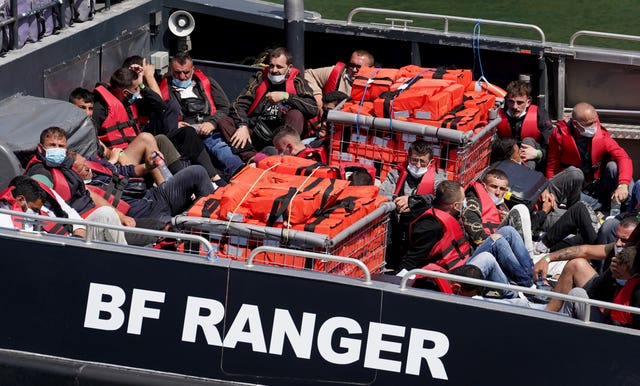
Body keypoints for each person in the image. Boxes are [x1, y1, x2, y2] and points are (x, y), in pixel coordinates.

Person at [24, 127, 134, 239]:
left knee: (145, 223)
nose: (57, 149)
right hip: (74, 228)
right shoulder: (41, 174)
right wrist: (75, 230)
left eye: (61, 146)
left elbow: (88, 193)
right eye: (52, 145)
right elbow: (38, 210)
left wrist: (121, 216)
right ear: (41, 148)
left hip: (89, 216)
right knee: (107, 215)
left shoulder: (66, 168)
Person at [218, 47, 319, 162]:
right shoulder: (260, 78)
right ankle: (252, 157)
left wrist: (286, 96)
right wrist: (242, 125)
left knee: (296, 114)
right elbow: (238, 103)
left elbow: (313, 107)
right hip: (256, 131)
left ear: (289, 68)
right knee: (224, 121)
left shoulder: (297, 81)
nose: (274, 70)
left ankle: (288, 158)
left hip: (281, 136)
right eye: (271, 66)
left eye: (279, 67)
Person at [157, 51, 243, 181]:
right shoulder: (163, 89)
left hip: (209, 129)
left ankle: (240, 172)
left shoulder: (207, 82)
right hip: (185, 133)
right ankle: (215, 179)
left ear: (192, 69)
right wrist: (173, 123)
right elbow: (157, 116)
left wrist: (212, 123)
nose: (182, 77)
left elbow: (225, 107)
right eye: (177, 73)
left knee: (222, 149)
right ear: (170, 70)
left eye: (186, 72)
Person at [69, 86, 185, 178]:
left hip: (115, 162)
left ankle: (178, 182)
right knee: (147, 138)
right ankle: (166, 189)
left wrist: (118, 154)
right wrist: (111, 161)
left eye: (90, 109)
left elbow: (105, 149)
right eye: (82, 108)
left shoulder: (89, 129)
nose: (87, 113)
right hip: (104, 172)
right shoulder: (72, 136)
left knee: (158, 139)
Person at [70, 152, 214, 225]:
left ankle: (214, 217)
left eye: (85, 162)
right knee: (181, 228)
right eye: (82, 167)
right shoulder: (82, 191)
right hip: (144, 216)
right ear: (72, 173)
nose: (87, 167)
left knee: (197, 171)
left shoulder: (94, 166)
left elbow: (125, 170)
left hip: (156, 196)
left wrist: (148, 165)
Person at [547, 102, 633, 212]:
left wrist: (623, 185)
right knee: (574, 175)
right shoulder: (559, 136)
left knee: (614, 166)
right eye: (589, 124)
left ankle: (630, 209)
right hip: (576, 192)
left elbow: (623, 157)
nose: (594, 127)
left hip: (598, 187)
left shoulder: (601, 135)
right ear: (575, 124)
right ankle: (593, 208)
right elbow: (552, 167)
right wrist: (551, 193)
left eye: (595, 122)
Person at [380, 140, 447, 270]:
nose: (417, 165)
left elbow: (441, 199)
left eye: (422, 162)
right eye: (414, 160)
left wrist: (412, 201)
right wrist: (397, 200)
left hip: (421, 231)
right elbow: (382, 193)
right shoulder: (396, 174)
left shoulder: (439, 179)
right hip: (397, 228)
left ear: (431, 162)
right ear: (408, 158)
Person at [534, 215, 639, 290]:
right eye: (616, 238)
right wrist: (547, 258)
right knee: (576, 264)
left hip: (616, 309)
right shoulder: (615, 246)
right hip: (599, 293)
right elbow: (584, 250)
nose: (618, 243)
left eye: (625, 240)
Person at [547, 244, 640, 328]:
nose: (614, 276)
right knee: (577, 293)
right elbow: (593, 292)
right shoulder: (614, 275)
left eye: (619, 275)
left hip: (619, 334)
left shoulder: (637, 292)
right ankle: (549, 320)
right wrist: (610, 273)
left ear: (634, 275)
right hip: (607, 321)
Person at [396, 180, 471, 273]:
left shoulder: (451, 212)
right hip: (448, 273)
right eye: (463, 200)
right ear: (455, 205)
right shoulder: (431, 227)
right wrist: (396, 279)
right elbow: (413, 259)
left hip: (463, 260)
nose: (465, 202)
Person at [463, 168, 533, 252]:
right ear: (484, 186)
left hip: (502, 245)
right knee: (521, 208)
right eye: (493, 187)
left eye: (502, 189)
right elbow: (477, 236)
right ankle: (529, 253)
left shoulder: (502, 205)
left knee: (520, 210)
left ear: (506, 190)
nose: (497, 192)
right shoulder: (472, 203)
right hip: (485, 250)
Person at [496, 80, 554, 170]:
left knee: (528, 141)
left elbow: (552, 146)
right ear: (506, 101)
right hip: (506, 158)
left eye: (519, 103)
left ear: (528, 102)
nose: (515, 107)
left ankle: (527, 177)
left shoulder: (540, 115)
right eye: (511, 101)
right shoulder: (497, 116)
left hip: (532, 157)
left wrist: (538, 153)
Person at [304, 49, 374, 113]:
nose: (354, 70)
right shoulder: (335, 72)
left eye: (359, 67)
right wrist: (317, 94)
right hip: (329, 121)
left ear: (372, 68)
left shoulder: (376, 84)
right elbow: (307, 74)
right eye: (351, 65)